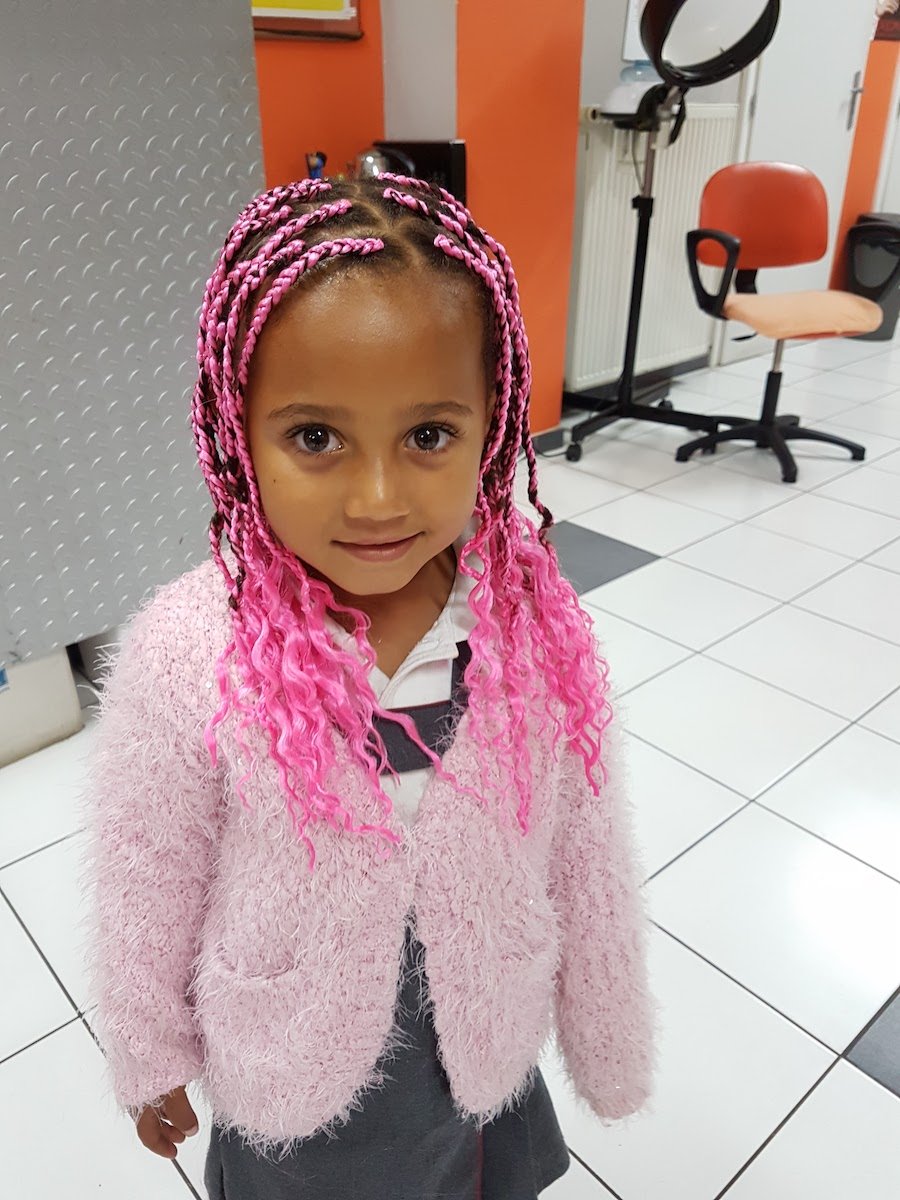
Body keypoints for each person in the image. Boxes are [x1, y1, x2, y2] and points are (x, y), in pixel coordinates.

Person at [77, 174, 658, 1199]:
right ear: (238, 432)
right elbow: (145, 873)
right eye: (315, 438)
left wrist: (607, 1036)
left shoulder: (530, 628)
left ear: (493, 425)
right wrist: (149, 1049)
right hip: (293, 1066)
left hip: (481, 1052)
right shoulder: (189, 649)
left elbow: (586, 850)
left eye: (429, 436)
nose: (379, 499)